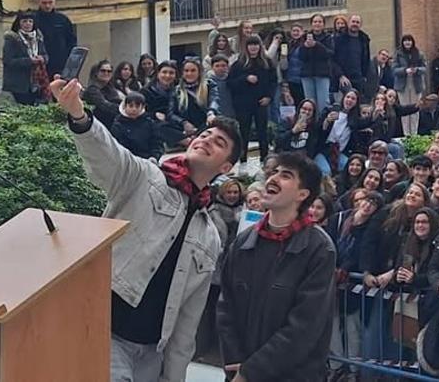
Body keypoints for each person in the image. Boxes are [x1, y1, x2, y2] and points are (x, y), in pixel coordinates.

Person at [52, 76, 242, 382]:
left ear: (226, 168)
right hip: (105, 333)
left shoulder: (210, 236)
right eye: (205, 134)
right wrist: (78, 114)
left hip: (151, 355)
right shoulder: (146, 176)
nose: (206, 140)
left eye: (219, 143)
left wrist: (173, 376)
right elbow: (108, 156)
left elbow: (187, 324)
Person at [216, 152, 336, 382]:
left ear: (303, 194)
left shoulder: (319, 248)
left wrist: (252, 371)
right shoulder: (243, 242)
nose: (273, 179)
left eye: (286, 175)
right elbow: (226, 309)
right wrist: (236, 367)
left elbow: (305, 326)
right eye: (274, 173)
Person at [227, 35, 277, 166]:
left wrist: (269, 97)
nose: (253, 47)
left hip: (261, 103)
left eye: (256, 45)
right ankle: (242, 160)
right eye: (251, 45)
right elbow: (230, 83)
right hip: (243, 104)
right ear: (246, 47)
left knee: (263, 132)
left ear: (260, 46)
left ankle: (264, 159)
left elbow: (273, 82)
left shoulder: (267, 63)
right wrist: (245, 79)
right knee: (244, 132)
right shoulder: (239, 64)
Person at [2, 10, 48, 104]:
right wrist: (29, 61)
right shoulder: (12, 39)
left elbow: (45, 55)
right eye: (24, 21)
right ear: (19, 24)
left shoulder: (38, 37)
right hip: (19, 84)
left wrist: (43, 59)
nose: (28, 24)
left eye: (30, 21)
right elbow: (8, 61)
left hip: (36, 82)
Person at [110, 91, 164, 160]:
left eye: (137, 106)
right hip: (129, 161)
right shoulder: (117, 125)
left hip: (149, 160)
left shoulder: (150, 123)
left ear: (143, 107)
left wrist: (154, 157)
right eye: (131, 106)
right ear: (125, 106)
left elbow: (157, 143)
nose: (134, 109)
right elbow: (118, 148)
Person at [34, 0, 76, 75]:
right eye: (44, 3)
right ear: (39, 3)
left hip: (61, 65)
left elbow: (71, 42)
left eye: (50, 2)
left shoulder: (62, 19)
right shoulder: (33, 20)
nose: (47, 6)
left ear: (54, 2)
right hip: (40, 67)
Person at [393, 33, 429, 108]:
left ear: (412, 42)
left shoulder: (419, 54)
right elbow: (394, 70)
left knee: (416, 107)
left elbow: (425, 68)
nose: (407, 42)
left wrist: (417, 70)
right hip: (402, 84)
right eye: (405, 41)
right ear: (402, 42)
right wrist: (405, 70)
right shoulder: (398, 54)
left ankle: (416, 120)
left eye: (409, 40)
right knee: (404, 107)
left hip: (416, 84)